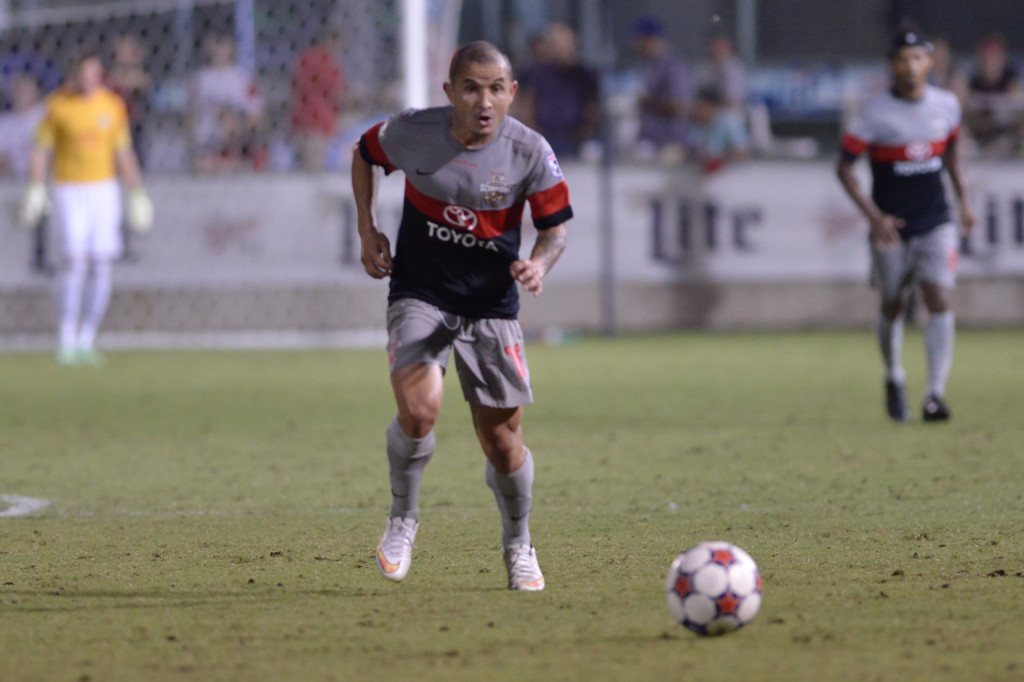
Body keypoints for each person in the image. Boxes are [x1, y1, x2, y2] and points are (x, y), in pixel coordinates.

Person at [352, 41, 572, 591]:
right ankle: (403, 518)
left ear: (512, 93)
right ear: (449, 91)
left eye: (496, 89)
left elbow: (555, 229)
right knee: (420, 409)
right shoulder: (412, 132)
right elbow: (364, 152)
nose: (484, 100)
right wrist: (367, 226)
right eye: (471, 88)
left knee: (502, 441)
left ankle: (518, 543)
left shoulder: (530, 151)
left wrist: (540, 265)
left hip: (491, 305)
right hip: (420, 292)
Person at [836, 31, 976, 423]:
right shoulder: (874, 112)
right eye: (902, 59)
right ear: (892, 65)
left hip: (936, 221)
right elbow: (844, 167)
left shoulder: (946, 105)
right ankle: (894, 377)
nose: (910, 66)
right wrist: (873, 216)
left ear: (929, 63)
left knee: (940, 300)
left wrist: (964, 202)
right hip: (891, 228)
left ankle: (934, 394)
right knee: (893, 303)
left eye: (917, 58)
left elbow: (952, 156)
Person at [20, 50, 154, 365]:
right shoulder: (57, 106)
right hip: (69, 188)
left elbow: (123, 152)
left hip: (103, 190)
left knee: (102, 264)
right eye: (83, 73)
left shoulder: (112, 106)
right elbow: (41, 150)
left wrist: (136, 192)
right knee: (76, 261)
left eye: (94, 73)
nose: (88, 79)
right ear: (75, 74)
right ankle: (66, 338)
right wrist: (36, 187)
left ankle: (87, 338)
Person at [513, 23, 600, 159]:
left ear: (574, 43)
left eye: (563, 43)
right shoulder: (538, 73)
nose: (559, 48)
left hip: (574, 140)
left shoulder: (585, 75)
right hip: (544, 138)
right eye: (554, 43)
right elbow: (527, 103)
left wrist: (584, 132)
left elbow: (593, 106)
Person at [187, 34, 266, 172]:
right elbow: (191, 114)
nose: (219, 51)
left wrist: (238, 129)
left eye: (223, 45)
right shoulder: (199, 80)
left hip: (237, 144)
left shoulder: (243, 79)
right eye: (216, 46)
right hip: (207, 145)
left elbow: (256, 114)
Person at [0, 73, 51, 273]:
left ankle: (40, 259)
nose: (22, 95)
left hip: (46, 176)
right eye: (18, 90)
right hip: (16, 177)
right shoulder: (6, 122)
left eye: (27, 90)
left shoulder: (45, 116)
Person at [631, 16, 692, 162]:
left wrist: (649, 103)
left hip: (671, 143)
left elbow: (681, 106)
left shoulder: (674, 67)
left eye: (641, 39)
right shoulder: (644, 66)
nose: (637, 44)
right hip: (647, 142)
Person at [289, 28, 349, 171]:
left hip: (299, 120)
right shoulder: (326, 61)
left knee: (303, 168)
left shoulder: (303, 59)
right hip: (318, 123)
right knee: (315, 169)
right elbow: (338, 94)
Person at [963, 33, 1023, 155]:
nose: (992, 61)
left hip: (1006, 126)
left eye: (995, 57)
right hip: (983, 126)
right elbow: (967, 103)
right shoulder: (975, 79)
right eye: (988, 57)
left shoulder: (1010, 76)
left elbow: (1017, 101)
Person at [105, 34, 153, 168]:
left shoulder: (139, 71)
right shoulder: (110, 72)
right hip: (112, 121)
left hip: (132, 122)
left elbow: (140, 82)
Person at [688, 84, 750, 173]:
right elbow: (693, 148)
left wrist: (721, 157)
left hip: (730, 172)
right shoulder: (697, 124)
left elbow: (742, 151)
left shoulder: (729, 121)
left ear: (712, 107)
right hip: (703, 172)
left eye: (701, 106)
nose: (697, 110)